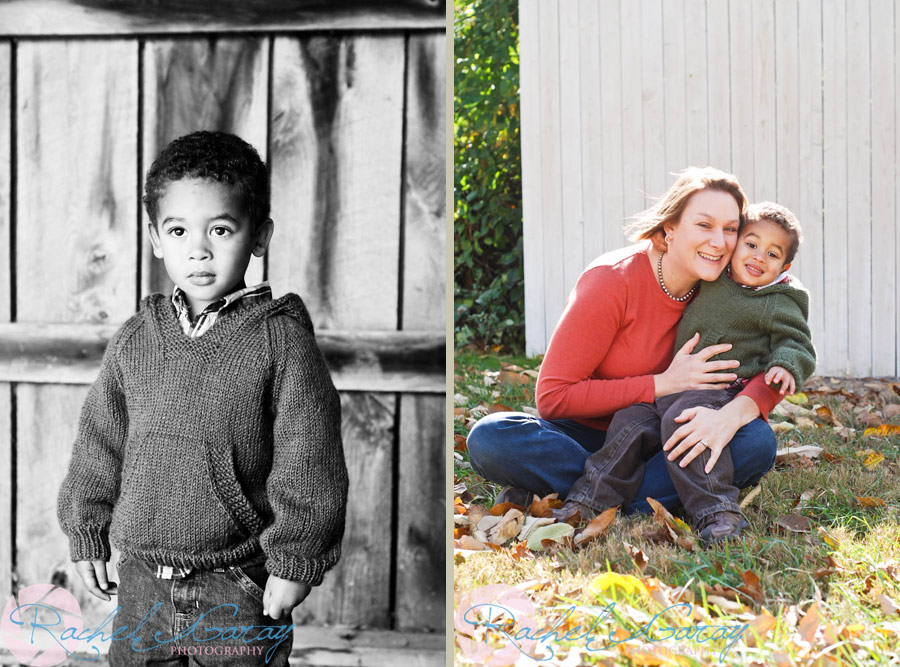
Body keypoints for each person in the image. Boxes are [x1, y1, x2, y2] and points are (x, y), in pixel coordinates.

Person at [56, 131, 348, 666]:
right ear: (154, 238)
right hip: (141, 578)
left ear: (259, 236)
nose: (199, 249)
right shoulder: (136, 338)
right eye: (178, 230)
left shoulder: (279, 341)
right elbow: (100, 444)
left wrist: (295, 560)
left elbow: (311, 457)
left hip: (238, 580)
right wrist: (87, 529)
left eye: (220, 229)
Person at [466, 167, 783, 517]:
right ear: (670, 229)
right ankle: (639, 494)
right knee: (490, 437)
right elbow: (553, 398)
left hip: (667, 437)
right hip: (586, 436)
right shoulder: (612, 281)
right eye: (704, 225)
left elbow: (779, 360)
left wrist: (734, 414)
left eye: (731, 229)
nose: (719, 242)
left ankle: (583, 492)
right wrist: (662, 384)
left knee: (757, 443)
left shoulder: (731, 284)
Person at [560, 202, 815, 542]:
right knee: (628, 422)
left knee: (686, 423)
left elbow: (796, 342)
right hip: (672, 388)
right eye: (751, 245)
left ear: (785, 266)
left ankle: (717, 511)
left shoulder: (777, 299)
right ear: (736, 244)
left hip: (717, 391)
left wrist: (785, 364)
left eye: (772, 254)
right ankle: (588, 501)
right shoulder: (712, 275)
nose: (758, 257)